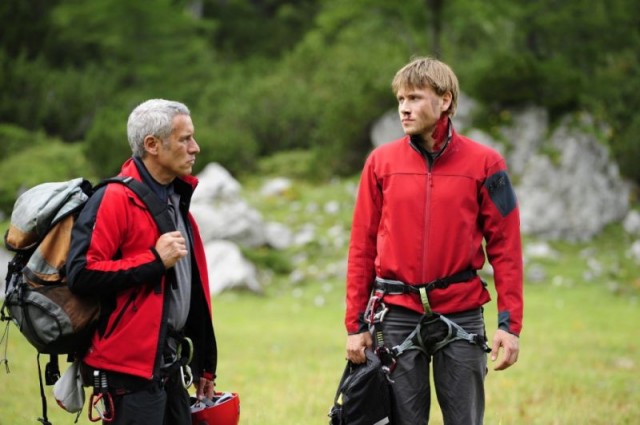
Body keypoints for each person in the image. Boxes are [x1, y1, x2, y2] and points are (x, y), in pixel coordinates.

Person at [344, 57, 523, 424]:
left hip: (462, 314)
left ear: (445, 100)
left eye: (414, 98)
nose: (404, 108)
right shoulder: (379, 163)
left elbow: (506, 249)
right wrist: (355, 326)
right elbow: (361, 247)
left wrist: (509, 325)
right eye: (400, 100)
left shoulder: (489, 165)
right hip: (395, 314)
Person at [67, 99, 217, 425]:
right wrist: (153, 260)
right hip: (127, 373)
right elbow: (81, 274)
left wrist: (206, 364)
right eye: (184, 139)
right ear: (152, 145)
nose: (196, 148)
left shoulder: (176, 199)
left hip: (171, 365)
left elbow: (191, 291)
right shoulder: (114, 199)